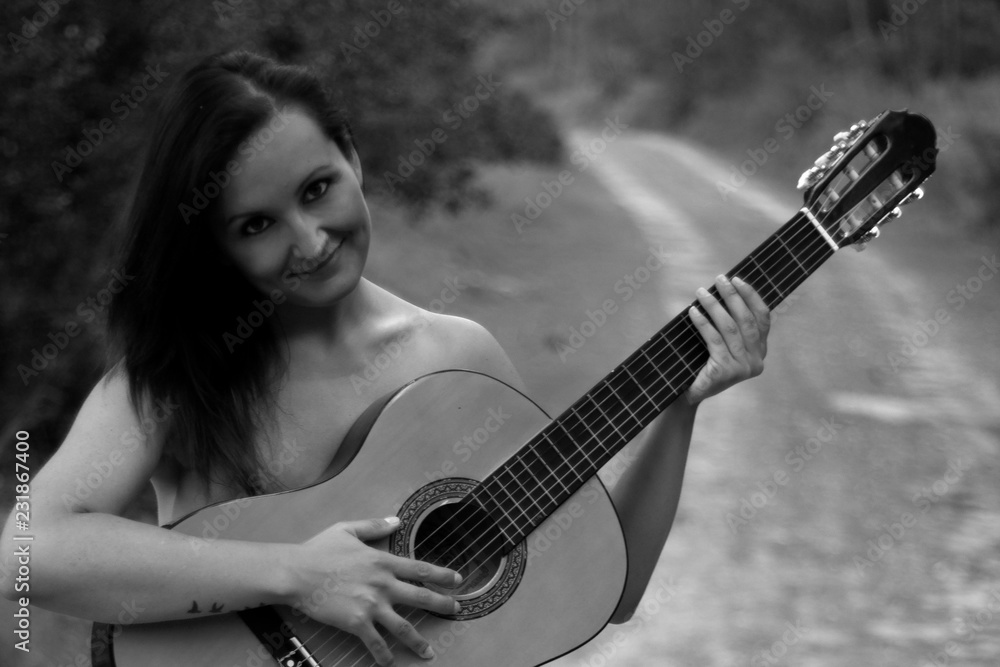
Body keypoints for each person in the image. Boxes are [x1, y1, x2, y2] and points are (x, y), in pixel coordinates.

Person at [0, 50, 770, 665]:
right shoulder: (181, 372)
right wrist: (300, 573)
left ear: (354, 159)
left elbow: (607, 589)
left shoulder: (455, 361)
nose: (308, 240)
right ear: (211, 242)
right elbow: (28, 554)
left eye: (318, 188)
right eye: (256, 224)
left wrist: (680, 405)